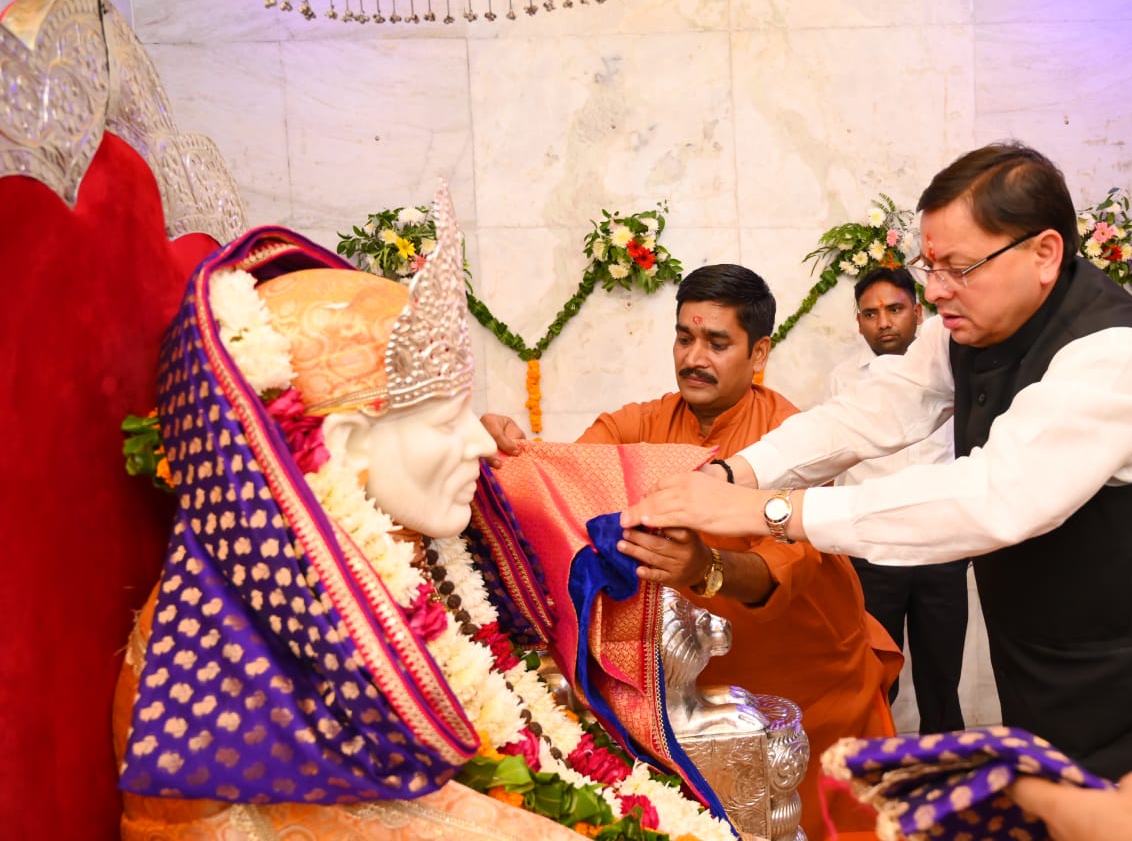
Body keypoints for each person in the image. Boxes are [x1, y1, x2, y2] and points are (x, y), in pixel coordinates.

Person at [623, 142, 1132, 810]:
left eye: (959, 268)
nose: (935, 291)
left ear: (1044, 253)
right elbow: (874, 410)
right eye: (930, 266)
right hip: (1044, 678)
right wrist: (734, 474)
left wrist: (772, 512)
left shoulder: (1116, 355)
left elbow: (992, 498)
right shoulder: (964, 330)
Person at [112, 192, 736, 840]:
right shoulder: (257, 627)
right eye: (445, 420)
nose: (482, 443)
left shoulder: (395, 549)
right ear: (346, 449)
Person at [484, 263, 902, 839]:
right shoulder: (640, 424)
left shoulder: (794, 437)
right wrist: (500, 451)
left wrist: (705, 568)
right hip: (697, 697)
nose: (693, 358)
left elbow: (784, 567)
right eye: (685, 338)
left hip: (814, 688)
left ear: (759, 353)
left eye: (717, 343)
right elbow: (563, 483)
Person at [828, 265, 966, 733]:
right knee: (873, 675)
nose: (883, 322)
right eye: (870, 313)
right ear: (858, 321)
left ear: (918, 311)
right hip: (873, 553)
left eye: (894, 309)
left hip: (940, 549)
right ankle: (876, 764)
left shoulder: (954, 369)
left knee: (941, 679)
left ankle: (946, 769)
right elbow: (833, 462)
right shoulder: (844, 380)